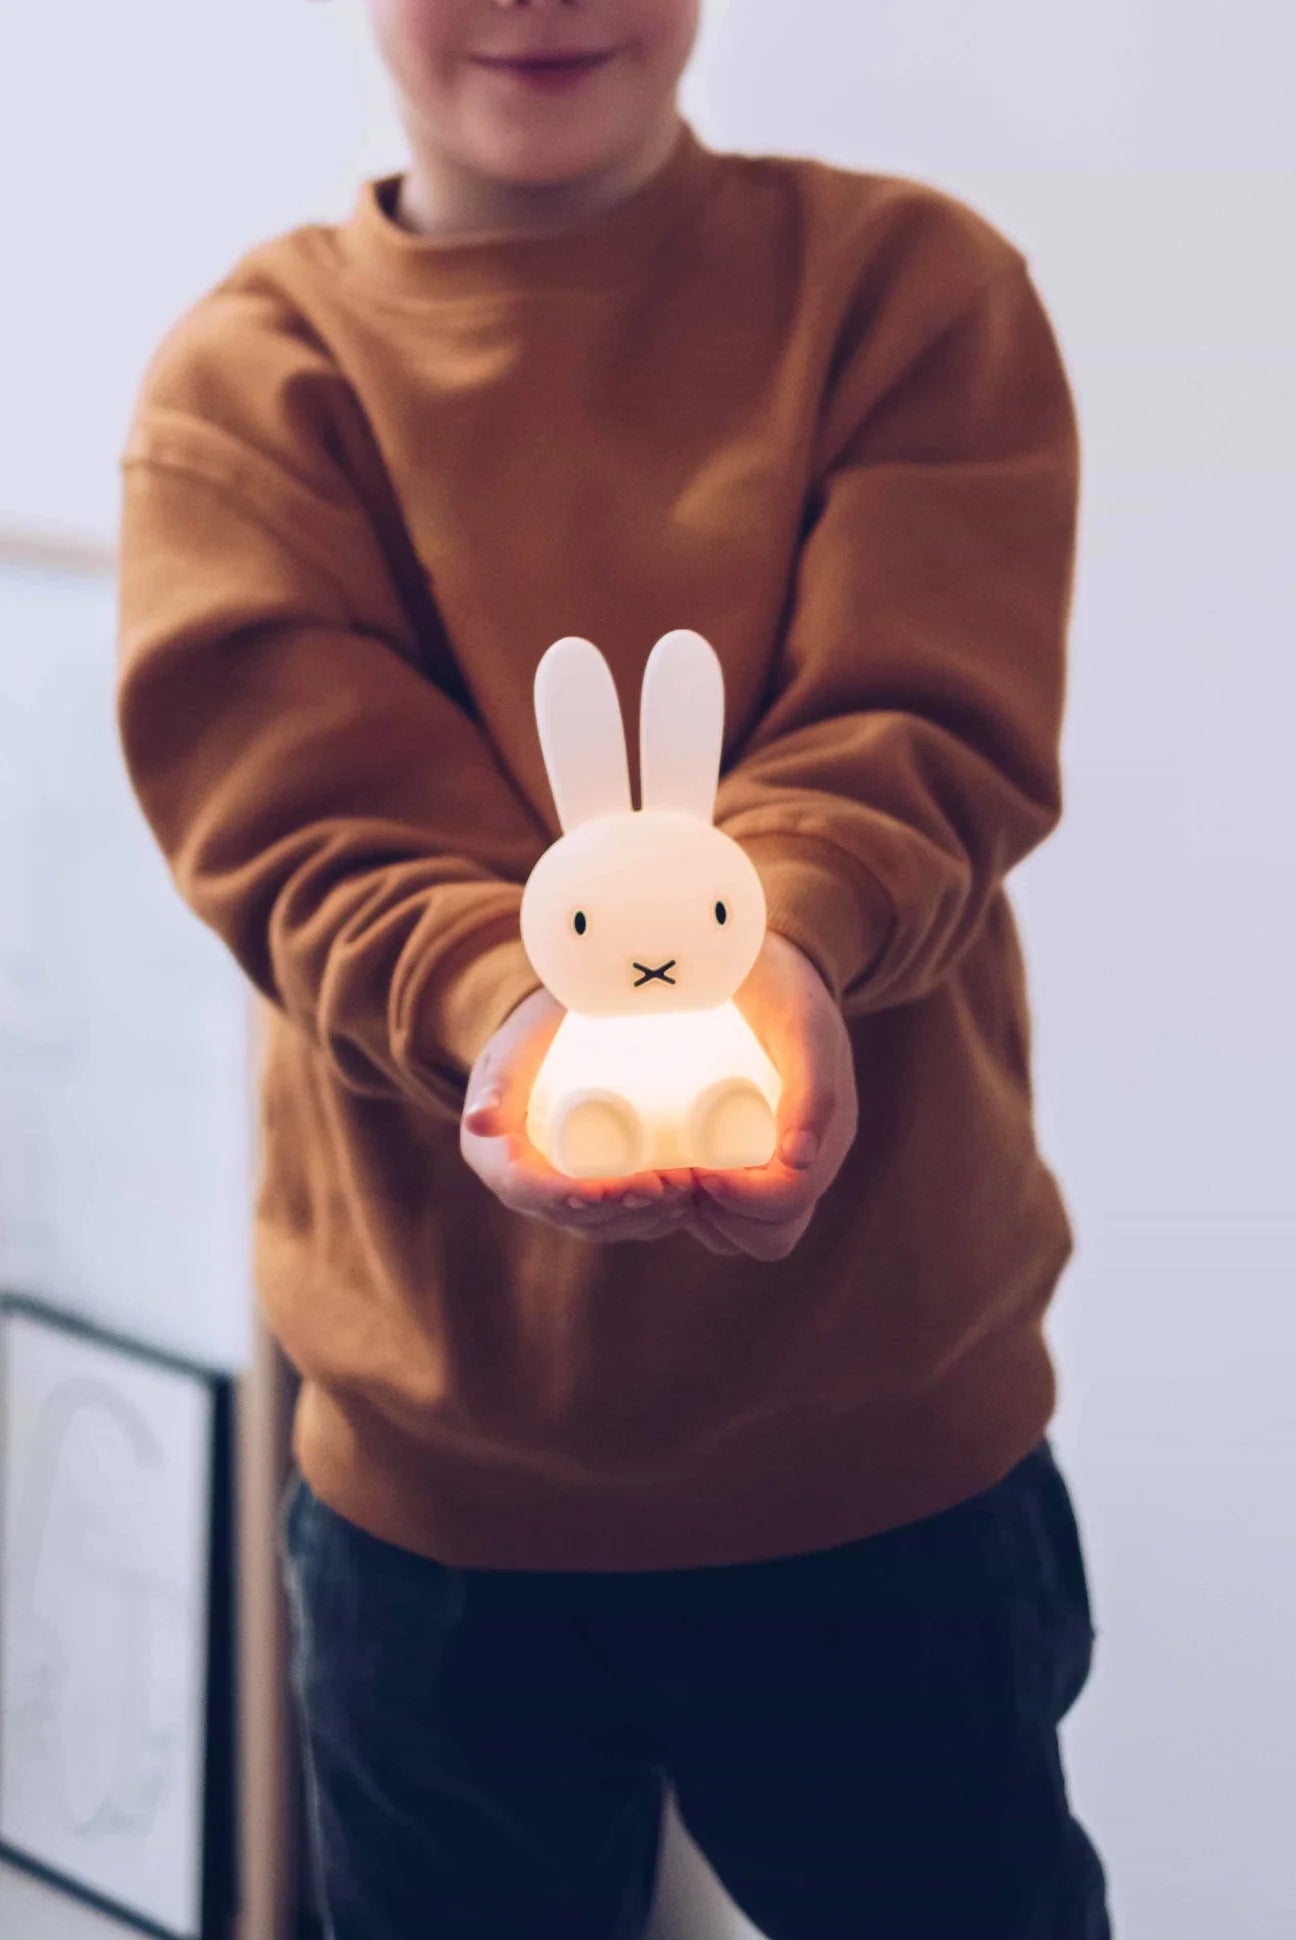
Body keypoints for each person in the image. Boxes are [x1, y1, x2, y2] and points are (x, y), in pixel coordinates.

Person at [113, 1, 1112, 1933]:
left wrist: (784, 943)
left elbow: (923, 728)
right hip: (436, 1504)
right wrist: (513, 1008)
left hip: (883, 1456)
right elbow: (304, 827)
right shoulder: (256, 387)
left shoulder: (909, 295)